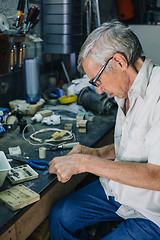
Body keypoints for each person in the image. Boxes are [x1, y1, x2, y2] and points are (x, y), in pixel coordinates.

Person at [48, 20, 160, 240]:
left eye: (97, 80)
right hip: (120, 191)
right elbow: (134, 147)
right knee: (61, 215)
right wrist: (96, 153)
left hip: (152, 213)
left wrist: (85, 163)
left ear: (118, 61)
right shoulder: (126, 89)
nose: (98, 89)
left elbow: (156, 176)